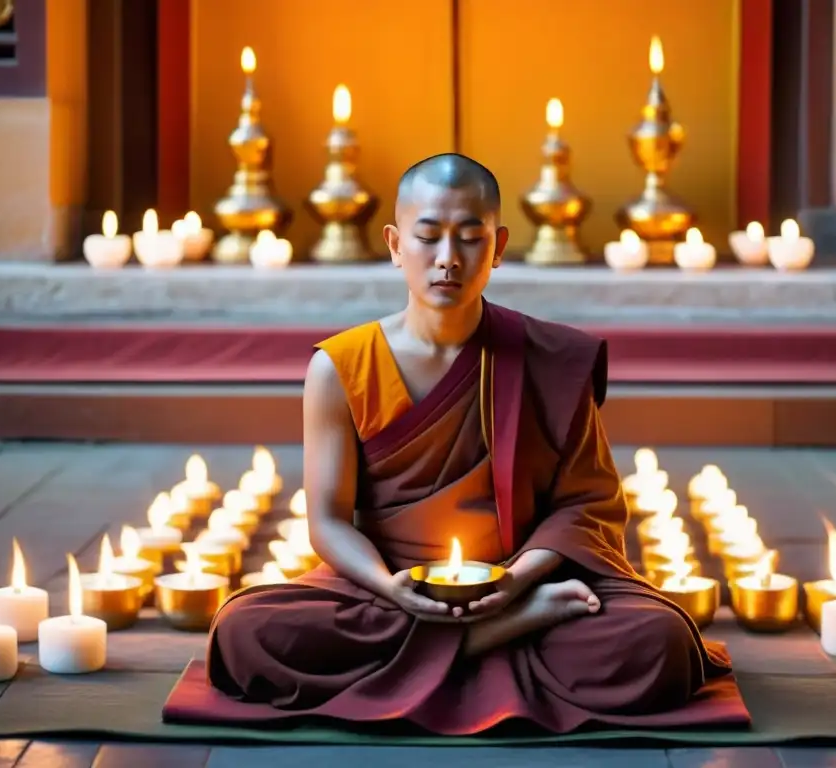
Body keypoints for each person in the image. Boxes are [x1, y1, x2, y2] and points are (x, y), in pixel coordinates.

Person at [206, 153, 732, 735]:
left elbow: (586, 505)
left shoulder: (546, 357)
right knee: (244, 632)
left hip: (523, 577)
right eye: (427, 237)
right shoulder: (341, 367)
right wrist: (391, 588)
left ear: (500, 245)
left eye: (471, 238)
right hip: (390, 587)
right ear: (394, 243)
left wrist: (517, 580)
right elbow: (328, 521)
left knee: (658, 643)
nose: (447, 260)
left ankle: (464, 637)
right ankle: (494, 635)